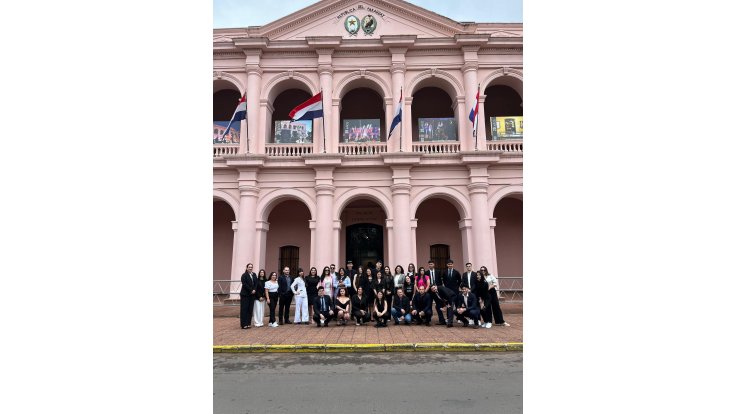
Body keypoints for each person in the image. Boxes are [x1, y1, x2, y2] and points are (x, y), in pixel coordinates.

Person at [239, 263, 257, 329]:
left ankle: (248, 323)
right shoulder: (244, 275)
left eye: (251, 267)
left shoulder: (254, 274)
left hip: (252, 295)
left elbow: (256, 283)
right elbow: (245, 284)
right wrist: (251, 290)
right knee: (244, 309)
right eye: (249, 267)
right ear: (246, 268)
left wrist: (254, 289)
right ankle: (244, 324)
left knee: (250, 309)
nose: (250, 268)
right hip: (245, 295)